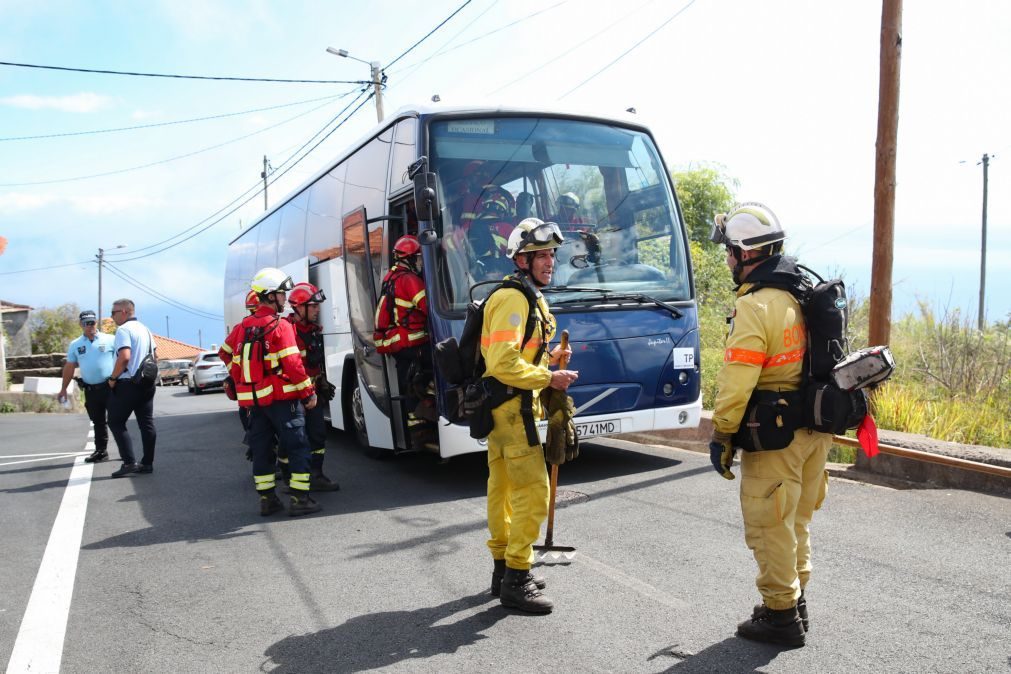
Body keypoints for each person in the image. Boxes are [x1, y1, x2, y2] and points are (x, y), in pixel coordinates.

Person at [707, 202, 829, 648]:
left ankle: (780, 618)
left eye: (730, 252)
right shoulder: (802, 293)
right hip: (814, 430)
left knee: (768, 525)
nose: (727, 261)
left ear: (744, 253)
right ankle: (795, 603)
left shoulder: (756, 307)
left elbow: (738, 381)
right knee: (795, 522)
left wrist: (722, 433)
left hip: (775, 435)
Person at [483, 217, 578, 614]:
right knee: (532, 492)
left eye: (551, 254)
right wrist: (549, 376)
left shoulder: (528, 296)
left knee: (504, 491)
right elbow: (502, 361)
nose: (549, 261)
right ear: (520, 260)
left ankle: (503, 569)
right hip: (513, 409)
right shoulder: (514, 299)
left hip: (509, 407)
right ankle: (518, 577)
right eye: (540, 255)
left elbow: (519, 353)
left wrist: (549, 358)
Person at [225, 267, 321, 517]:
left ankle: (267, 500)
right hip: (283, 401)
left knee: (262, 450)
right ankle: (300, 500)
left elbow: (232, 360)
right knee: (298, 447)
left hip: (255, 404)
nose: (285, 299)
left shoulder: (242, 327)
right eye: (281, 294)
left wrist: (239, 387)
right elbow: (294, 365)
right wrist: (308, 392)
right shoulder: (281, 325)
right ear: (270, 296)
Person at [373, 235, 435, 439]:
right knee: (441, 369)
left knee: (409, 387)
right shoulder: (409, 280)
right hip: (414, 342)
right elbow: (430, 308)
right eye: (417, 258)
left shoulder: (390, 278)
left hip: (399, 345)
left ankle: (417, 432)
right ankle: (430, 421)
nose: (419, 262)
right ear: (409, 258)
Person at [286, 282, 339, 491]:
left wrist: (321, 380)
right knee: (293, 438)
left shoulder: (313, 331)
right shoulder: (288, 333)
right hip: (294, 395)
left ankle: (316, 475)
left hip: (312, 393)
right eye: (314, 306)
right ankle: (291, 478)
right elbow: (292, 368)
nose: (318, 310)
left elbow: (313, 363)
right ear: (299, 307)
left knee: (318, 434)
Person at [106, 299, 158, 478]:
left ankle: (129, 462)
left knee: (115, 421)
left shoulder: (123, 330)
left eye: (113, 313)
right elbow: (155, 356)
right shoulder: (146, 329)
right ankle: (147, 463)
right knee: (146, 423)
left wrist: (113, 378)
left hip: (128, 383)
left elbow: (125, 357)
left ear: (124, 312)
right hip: (147, 383)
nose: (111, 317)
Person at [58, 310, 115, 463]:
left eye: (92, 322)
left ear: (97, 323)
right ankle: (101, 452)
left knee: (117, 420)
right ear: (80, 324)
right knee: (98, 422)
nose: (90, 326)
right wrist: (63, 388)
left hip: (110, 387)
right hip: (91, 389)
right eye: (86, 323)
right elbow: (69, 367)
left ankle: (127, 453)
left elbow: (123, 358)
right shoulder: (76, 344)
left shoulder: (110, 339)